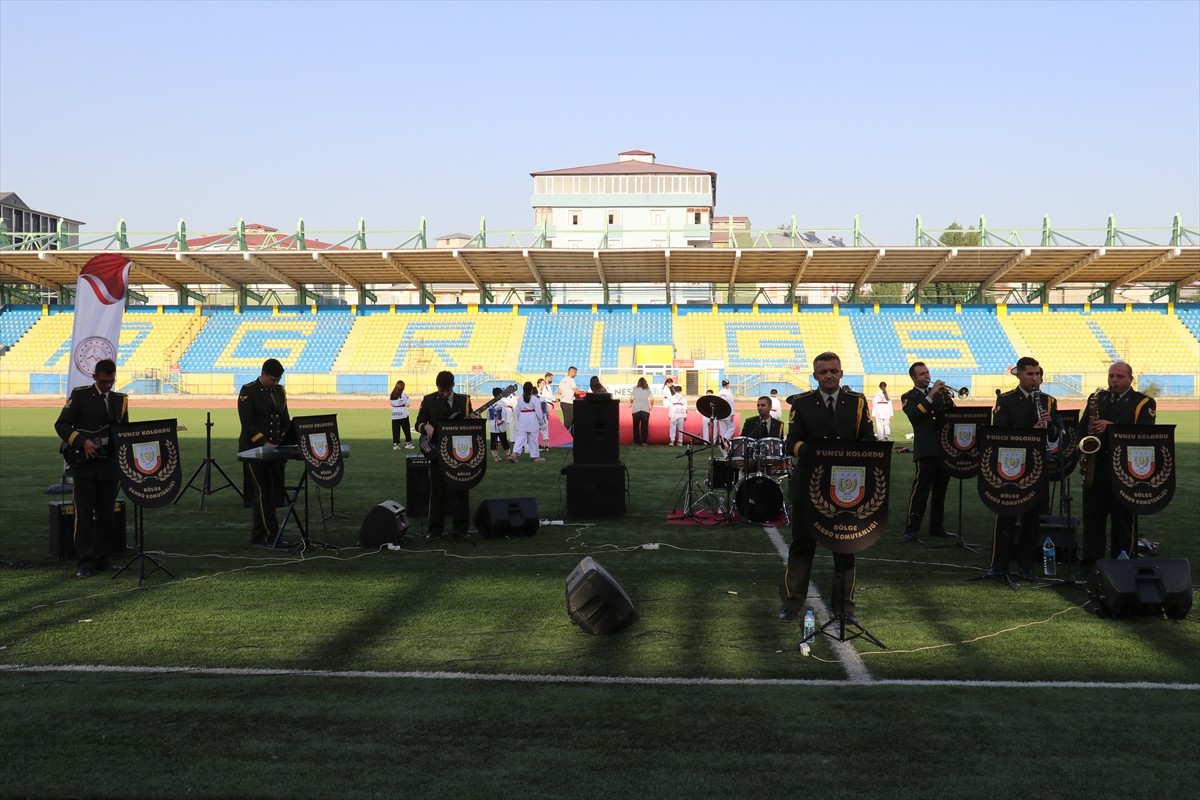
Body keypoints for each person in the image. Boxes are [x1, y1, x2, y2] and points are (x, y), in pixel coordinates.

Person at [779, 352, 874, 624]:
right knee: (801, 545)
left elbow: (867, 439)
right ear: (815, 376)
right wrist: (811, 451)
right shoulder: (801, 403)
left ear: (841, 373)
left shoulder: (857, 402)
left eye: (833, 371)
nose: (829, 375)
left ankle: (845, 607)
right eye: (823, 372)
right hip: (808, 484)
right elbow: (791, 442)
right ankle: (792, 604)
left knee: (845, 547)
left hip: (846, 487)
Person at [1077, 361, 1156, 574]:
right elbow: (1081, 429)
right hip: (1097, 468)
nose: (1114, 380)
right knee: (1093, 522)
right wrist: (1082, 450)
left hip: (1125, 472)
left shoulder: (1143, 402)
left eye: (1120, 377)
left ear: (1131, 379)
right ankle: (1090, 565)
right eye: (1111, 376)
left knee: (1123, 523)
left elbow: (1145, 434)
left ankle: (1122, 566)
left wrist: (1112, 427)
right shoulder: (1097, 398)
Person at [55, 358, 128, 578]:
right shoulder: (80, 395)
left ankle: (104, 559)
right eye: (104, 381)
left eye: (111, 381)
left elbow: (122, 431)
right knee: (84, 515)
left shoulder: (120, 400)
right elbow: (61, 425)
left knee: (107, 515)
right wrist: (82, 442)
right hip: (84, 466)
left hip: (109, 466)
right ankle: (85, 563)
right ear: (94, 377)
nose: (108, 385)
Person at [988, 357, 1058, 580]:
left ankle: (1026, 566)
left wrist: (1049, 426)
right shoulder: (1006, 400)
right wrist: (1030, 432)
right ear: (1019, 375)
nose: (1034, 378)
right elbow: (999, 434)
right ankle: (999, 564)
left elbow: (1056, 435)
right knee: (1006, 517)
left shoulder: (1048, 401)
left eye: (1037, 374)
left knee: (1033, 519)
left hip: (1037, 466)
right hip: (1011, 466)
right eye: (1030, 374)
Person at [239, 358, 291, 550]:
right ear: (262, 374)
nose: (274, 383)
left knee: (268, 492)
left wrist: (284, 440)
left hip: (274, 450)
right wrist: (264, 442)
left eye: (277, 380)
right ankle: (271, 536)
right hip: (253, 450)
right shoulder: (248, 391)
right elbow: (247, 423)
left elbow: (285, 420)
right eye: (272, 379)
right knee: (264, 491)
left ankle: (259, 534)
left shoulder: (279, 392)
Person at [415, 370, 473, 542]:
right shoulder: (428, 400)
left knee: (461, 491)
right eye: (441, 390)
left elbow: (471, 423)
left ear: (453, 386)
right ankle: (434, 530)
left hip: (459, 452)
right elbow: (418, 423)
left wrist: (474, 420)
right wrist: (426, 427)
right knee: (437, 493)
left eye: (447, 390)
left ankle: (461, 529)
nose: (445, 394)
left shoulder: (464, 400)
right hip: (437, 453)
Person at [900, 363, 955, 542]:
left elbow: (952, 413)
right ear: (913, 378)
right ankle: (912, 529)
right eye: (922, 374)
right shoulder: (908, 396)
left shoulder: (938, 394)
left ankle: (937, 527)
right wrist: (931, 394)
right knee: (920, 491)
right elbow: (915, 414)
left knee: (940, 491)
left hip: (943, 448)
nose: (927, 376)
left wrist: (947, 397)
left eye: (927, 372)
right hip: (925, 449)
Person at [511, 381, 546, 462]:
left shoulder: (520, 399)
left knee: (520, 438)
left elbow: (517, 410)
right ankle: (535, 456)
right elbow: (539, 411)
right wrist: (541, 420)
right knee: (533, 438)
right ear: (531, 389)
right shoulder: (534, 399)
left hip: (523, 418)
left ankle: (514, 454)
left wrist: (520, 418)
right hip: (532, 418)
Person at [486, 386, 512, 463]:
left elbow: (488, 415)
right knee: (504, 440)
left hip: (492, 424)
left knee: (494, 441)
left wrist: (491, 420)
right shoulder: (502, 403)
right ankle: (508, 455)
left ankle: (496, 457)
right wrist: (502, 420)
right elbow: (504, 412)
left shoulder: (490, 404)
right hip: (500, 424)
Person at [389, 380, 414, 450]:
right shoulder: (404, 395)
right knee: (406, 429)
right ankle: (408, 443)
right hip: (403, 414)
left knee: (395, 430)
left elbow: (391, 404)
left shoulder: (392, 395)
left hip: (394, 414)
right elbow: (408, 404)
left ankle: (395, 444)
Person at [630, 376, 652, 446]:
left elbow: (631, 398)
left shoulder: (635, 389)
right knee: (644, 427)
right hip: (645, 409)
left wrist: (631, 403)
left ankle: (636, 442)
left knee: (636, 426)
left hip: (636, 409)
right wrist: (651, 405)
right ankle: (644, 442)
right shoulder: (647, 389)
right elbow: (652, 398)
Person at [559, 366, 578, 432]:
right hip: (569, 402)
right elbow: (576, 391)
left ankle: (566, 432)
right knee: (569, 421)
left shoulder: (562, 380)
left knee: (566, 420)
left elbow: (559, 392)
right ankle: (566, 434)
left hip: (563, 402)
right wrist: (584, 392)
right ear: (571, 372)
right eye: (575, 373)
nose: (576, 374)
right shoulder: (571, 380)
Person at [536, 377, 554, 447]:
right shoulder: (536, 392)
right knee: (536, 429)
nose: (544, 384)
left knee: (545, 427)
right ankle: (536, 443)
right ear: (539, 384)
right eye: (543, 383)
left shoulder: (544, 391)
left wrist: (546, 413)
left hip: (542, 412)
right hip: (536, 413)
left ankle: (546, 444)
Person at [717, 379, 737, 444]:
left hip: (720, 413)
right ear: (727, 385)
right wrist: (732, 414)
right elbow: (731, 403)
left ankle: (722, 443)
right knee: (732, 427)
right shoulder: (729, 393)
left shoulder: (719, 393)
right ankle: (725, 439)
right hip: (727, 412)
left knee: (723, 429)